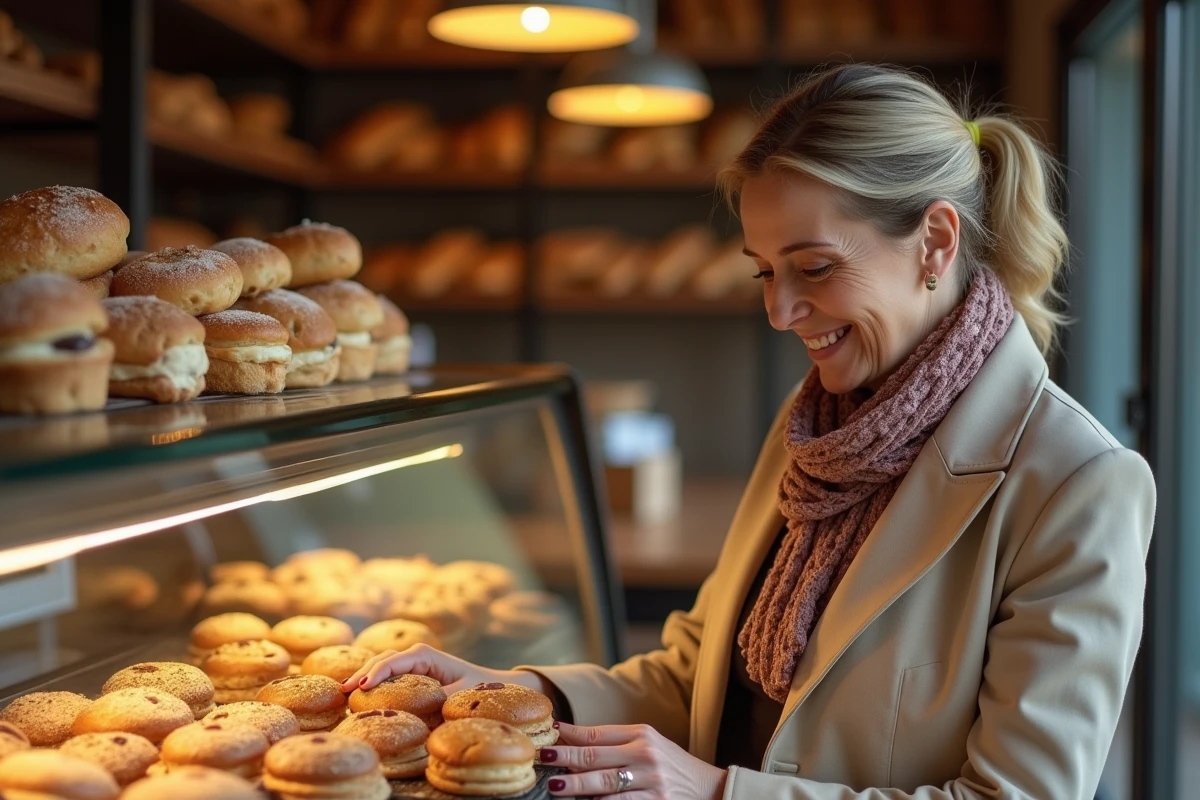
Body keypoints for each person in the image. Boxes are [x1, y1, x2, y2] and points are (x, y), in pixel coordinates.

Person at [346, 63, 1156, 799]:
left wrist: (719, 794)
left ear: (936, 241)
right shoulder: (815, 426)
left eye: (815, 268)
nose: (779, 312)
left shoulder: (1075, 483)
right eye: (765, 271)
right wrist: (514, 693)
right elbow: (700, 671)